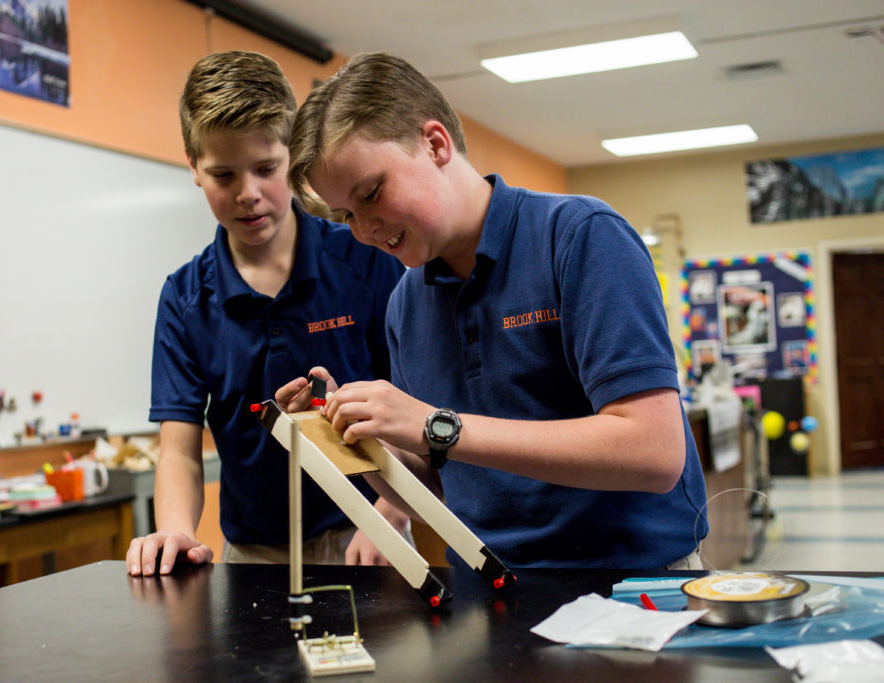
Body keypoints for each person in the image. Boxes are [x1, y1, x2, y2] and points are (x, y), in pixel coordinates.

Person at [287, 52, 709, 569]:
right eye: (346, 215)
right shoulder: (406, 303)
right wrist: (356, 442)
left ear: (436, 144)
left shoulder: (579, 236)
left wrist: (437, 425)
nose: (364, 229)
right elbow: (438, 488)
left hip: (633, 581)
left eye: (371, 193)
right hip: (496, 582)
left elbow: (654, 453)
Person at [126, 51, 407, 577]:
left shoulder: (367, 262)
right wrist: (177, 532)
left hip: (369, 532)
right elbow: (181, 450)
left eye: (265, 169)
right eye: (224, 175)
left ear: (294, 157)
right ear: (192, 166)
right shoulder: (185, 300)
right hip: (253, 555)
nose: (248, 194)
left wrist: (389, 512)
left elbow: (414, 402)